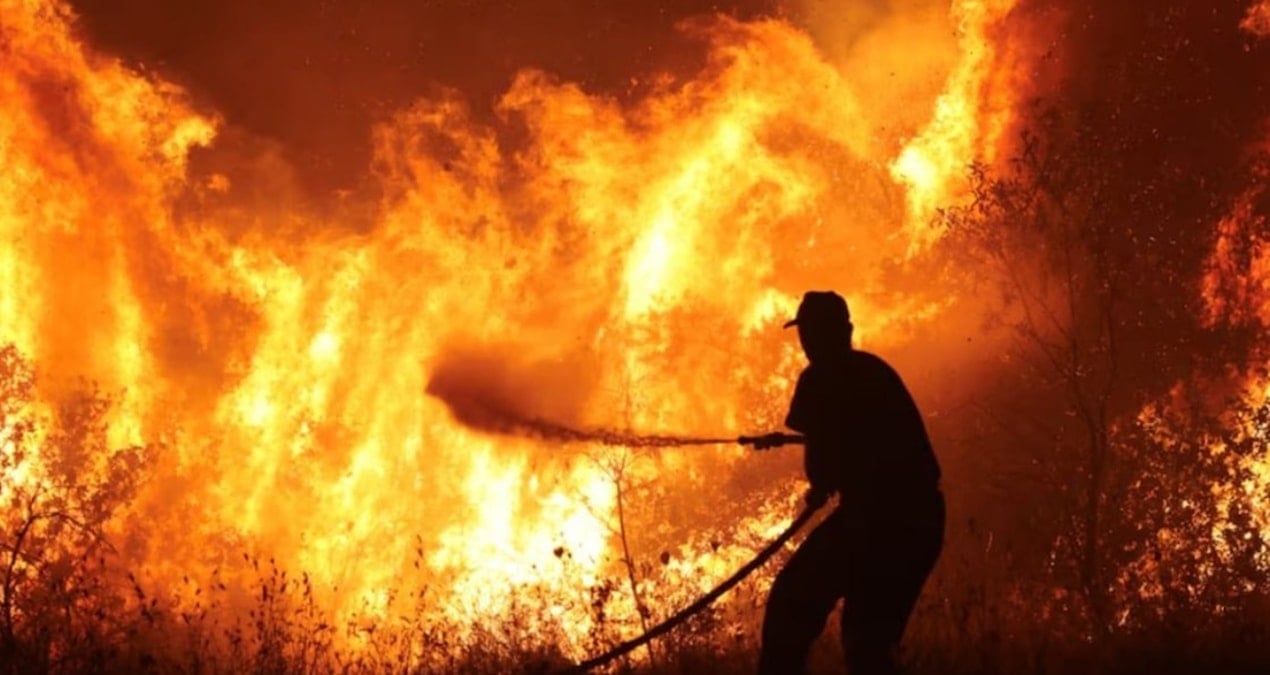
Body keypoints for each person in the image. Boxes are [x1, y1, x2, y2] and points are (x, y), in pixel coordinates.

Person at [749, 290, 944, 675]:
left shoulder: (820, 377)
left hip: (879, 520)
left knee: (792, 607)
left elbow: (822, 472)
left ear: (841, 331)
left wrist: (819, 482)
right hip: (921, 519)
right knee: (869, 645)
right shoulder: (874, 370)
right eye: (806, 333)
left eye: (812, 333)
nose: (807, 343)